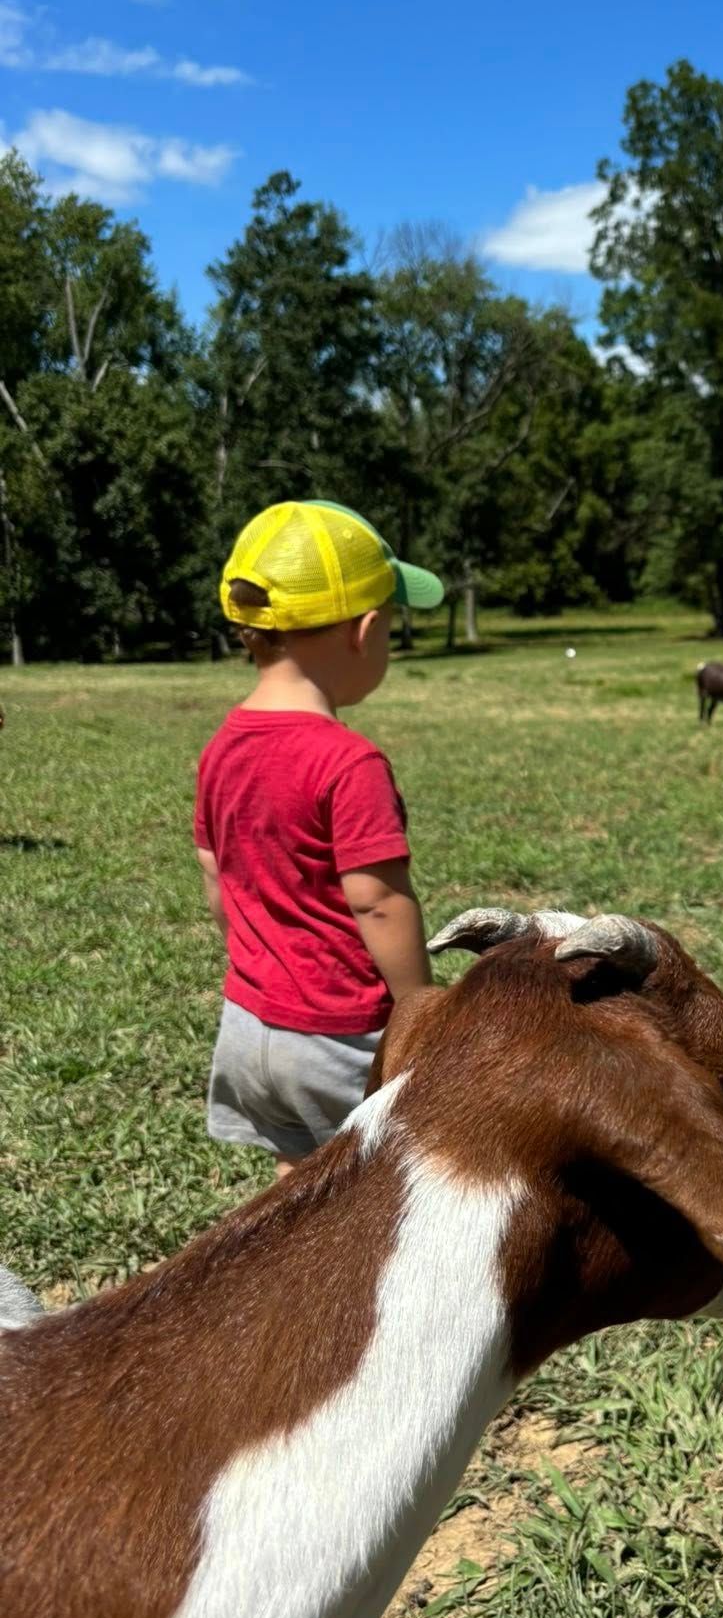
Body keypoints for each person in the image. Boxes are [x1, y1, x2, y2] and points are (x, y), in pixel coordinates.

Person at [194, 500, 444, 1177]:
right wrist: (421, 1008)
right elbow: (379, 903)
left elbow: (219, 880)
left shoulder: (222, 745)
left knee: (296, 1184)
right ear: (364, 630)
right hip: (338, 1037)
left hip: (248, 1027)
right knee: (384, 1190)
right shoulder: (347, 761)